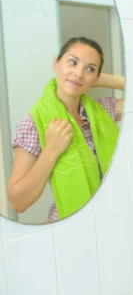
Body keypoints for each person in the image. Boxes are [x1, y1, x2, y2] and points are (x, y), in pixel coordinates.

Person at [7, 36, 124, 222]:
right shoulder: (34, 122)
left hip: (111, 217)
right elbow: (18, 202)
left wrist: (100, 80)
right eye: (72, 62)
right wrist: (50, 151)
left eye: (90, 69)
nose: (78, 73)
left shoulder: (102, 111)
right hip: (67, 226)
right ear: (55, 63)